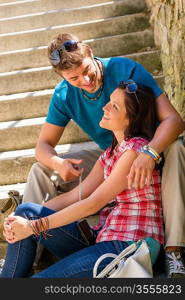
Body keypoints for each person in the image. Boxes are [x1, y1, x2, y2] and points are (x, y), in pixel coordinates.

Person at [8, 33, 185, 276]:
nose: (85, 80)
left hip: (148, 149)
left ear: (91, 53)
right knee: (38, 175)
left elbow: (174, 120)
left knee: (177, 147)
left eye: (86, 70)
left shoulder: (125, 70)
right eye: (74, 78)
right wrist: (57, 166)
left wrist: (149, 152)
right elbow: (45, 149)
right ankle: (26, 248)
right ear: (61, 77)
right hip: (111, 151)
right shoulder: (65, 96)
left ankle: (174, 250)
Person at [1, 81, 164, 278]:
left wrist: (35, 227)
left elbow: (92, 204)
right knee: (26, 211)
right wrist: (20, 222)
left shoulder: (135, 151)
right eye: (109, 101)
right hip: (104, 239)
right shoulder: (110, 154)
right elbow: (74, 197)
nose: (105, 107)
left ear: (131, 119)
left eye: (114, 106)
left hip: (128, 246)